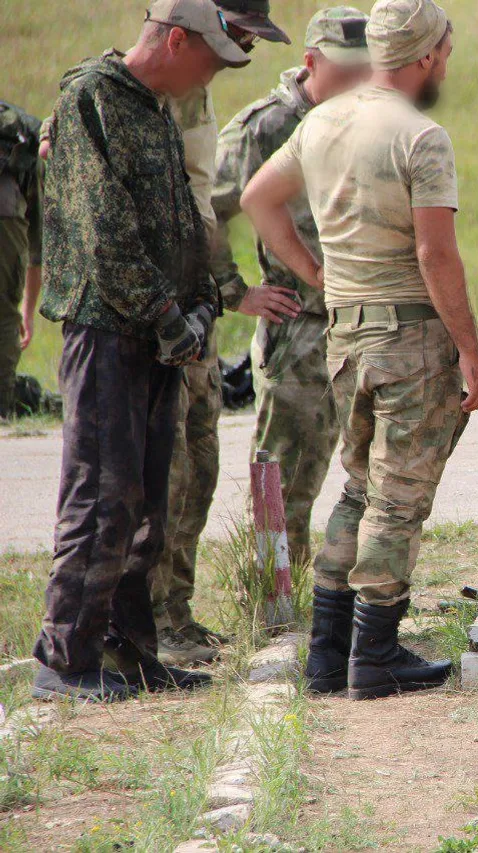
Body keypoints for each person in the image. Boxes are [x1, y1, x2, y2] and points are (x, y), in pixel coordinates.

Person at [242, 0, 478, 700]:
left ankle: (329, 655)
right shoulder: (421, 136)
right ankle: (374, 657)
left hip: (345, 339)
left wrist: (315, 273)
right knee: (397, 499)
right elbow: (435, 254)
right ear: (425, 56)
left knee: (359, 487)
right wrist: (470, 351)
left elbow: (259, 198)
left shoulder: (322, 121)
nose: (446, 68)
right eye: (445, 55)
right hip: (409, 339)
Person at [31, 0, 252, 702]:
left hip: (158, 332)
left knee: (146, 502)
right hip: (109, 329)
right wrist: (165, 312)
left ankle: (128, 651)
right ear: (176, 39)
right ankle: (65, 658)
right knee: (102, 495)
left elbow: (180, 216)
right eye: (209, 58)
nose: (212, 74)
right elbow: (104, 230)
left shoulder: (155, 106)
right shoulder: (93, 98)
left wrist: (202, 299)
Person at [144, 0, 292, 668]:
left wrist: (219, 295)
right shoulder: (149, 91)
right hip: (161, 319)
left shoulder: (197, 92)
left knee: (199, 470)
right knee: (169, 476)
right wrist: (234, 292)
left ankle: (176, 614)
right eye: (240, 36)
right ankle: (152, 623)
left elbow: (206, 204)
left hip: (195, 316)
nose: (245, 53)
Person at [212, 6, 371, 593]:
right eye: (346, 70)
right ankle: (272, 599)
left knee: (351, 475)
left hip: (357, 325)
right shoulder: (266, 127)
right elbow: (204, 209)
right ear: (310, 62)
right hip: (299, 328)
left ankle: (330, 594)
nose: (359, 81)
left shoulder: (367, 119)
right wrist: (235, 292)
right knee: (280, 479)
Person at [0, 101, 42, 421]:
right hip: (6, 214)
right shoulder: (23, 136)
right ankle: (1, 408)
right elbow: (38, 245)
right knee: (4, 315)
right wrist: (26, 313)